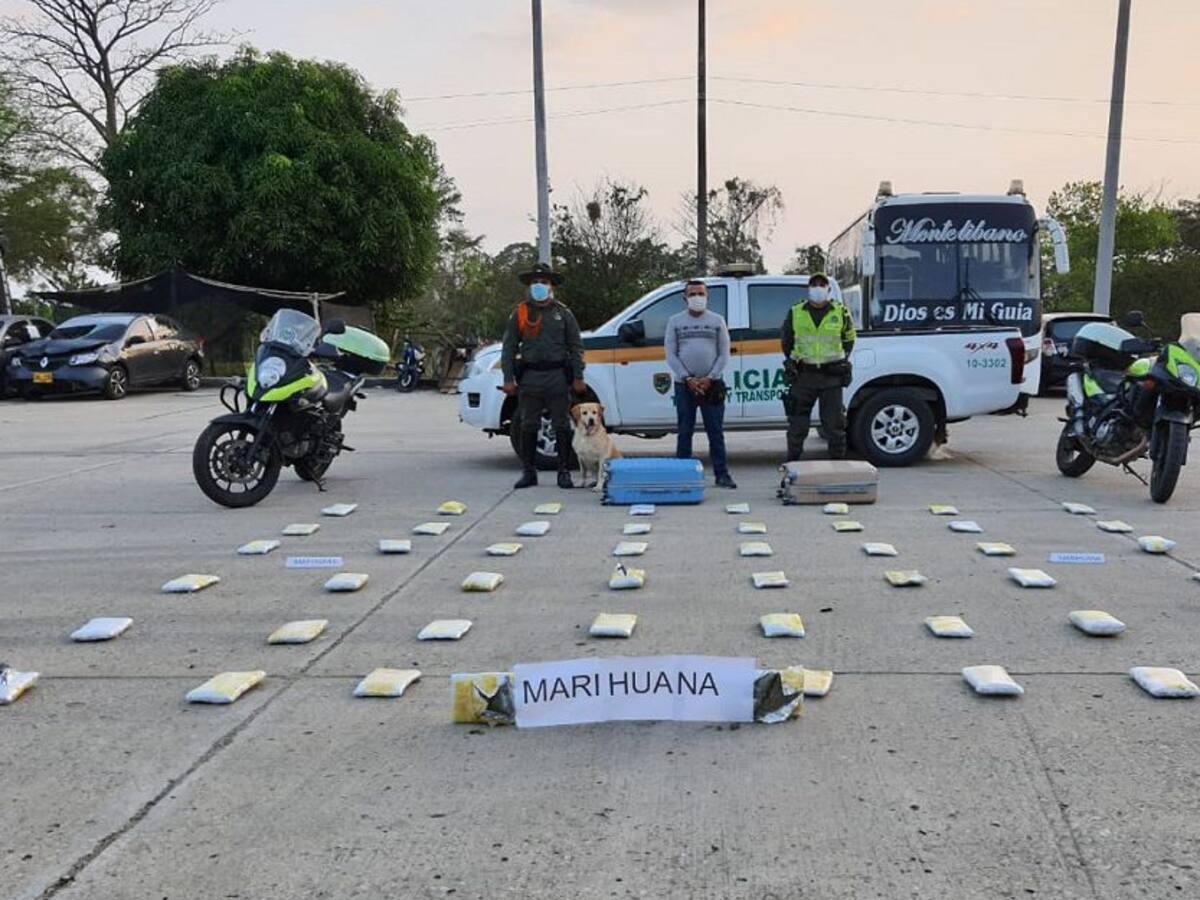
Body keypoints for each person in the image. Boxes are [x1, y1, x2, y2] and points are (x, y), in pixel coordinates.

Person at [501, 262, 586, 489]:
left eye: (544, 282)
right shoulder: (519, 313)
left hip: (557, 376)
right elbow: (509, 347)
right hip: (530, 376)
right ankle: (529, 472)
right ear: (529, 287)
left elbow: (576, 346)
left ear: (551, 287)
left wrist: (578, 376)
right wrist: (508, 379)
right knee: (528, 425)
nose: (539, 286)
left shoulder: (563, 313)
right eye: (535, 282)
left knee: (561, 425)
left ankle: (564, 471)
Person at [665, 279, 737, 488]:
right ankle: (682, 475)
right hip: (684, 385)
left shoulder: (717, 320)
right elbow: (670, 353)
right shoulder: (675, 322)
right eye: (693, 294)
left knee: (715, 432)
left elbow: (724, 353)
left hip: (712, 384)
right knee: (685, 431)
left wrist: (710, 377)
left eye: (701, 294)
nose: (697, 298)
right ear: (685, 297)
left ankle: (722, 474)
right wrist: (687, 378)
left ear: (707, 297)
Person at [781, 273, 856, 461]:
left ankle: (837, 470)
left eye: (822, 284)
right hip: (804, 375)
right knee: (797, 427)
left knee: (835, 427)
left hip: (831, 376)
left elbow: (849, 339)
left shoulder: (840, 312)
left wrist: (842, 360)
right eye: (814, 284)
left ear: (828, 289)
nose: (818, 288)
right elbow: (786, 341)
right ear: (809, 289)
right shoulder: (796, 312)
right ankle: (792, 465)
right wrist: (794, 362)